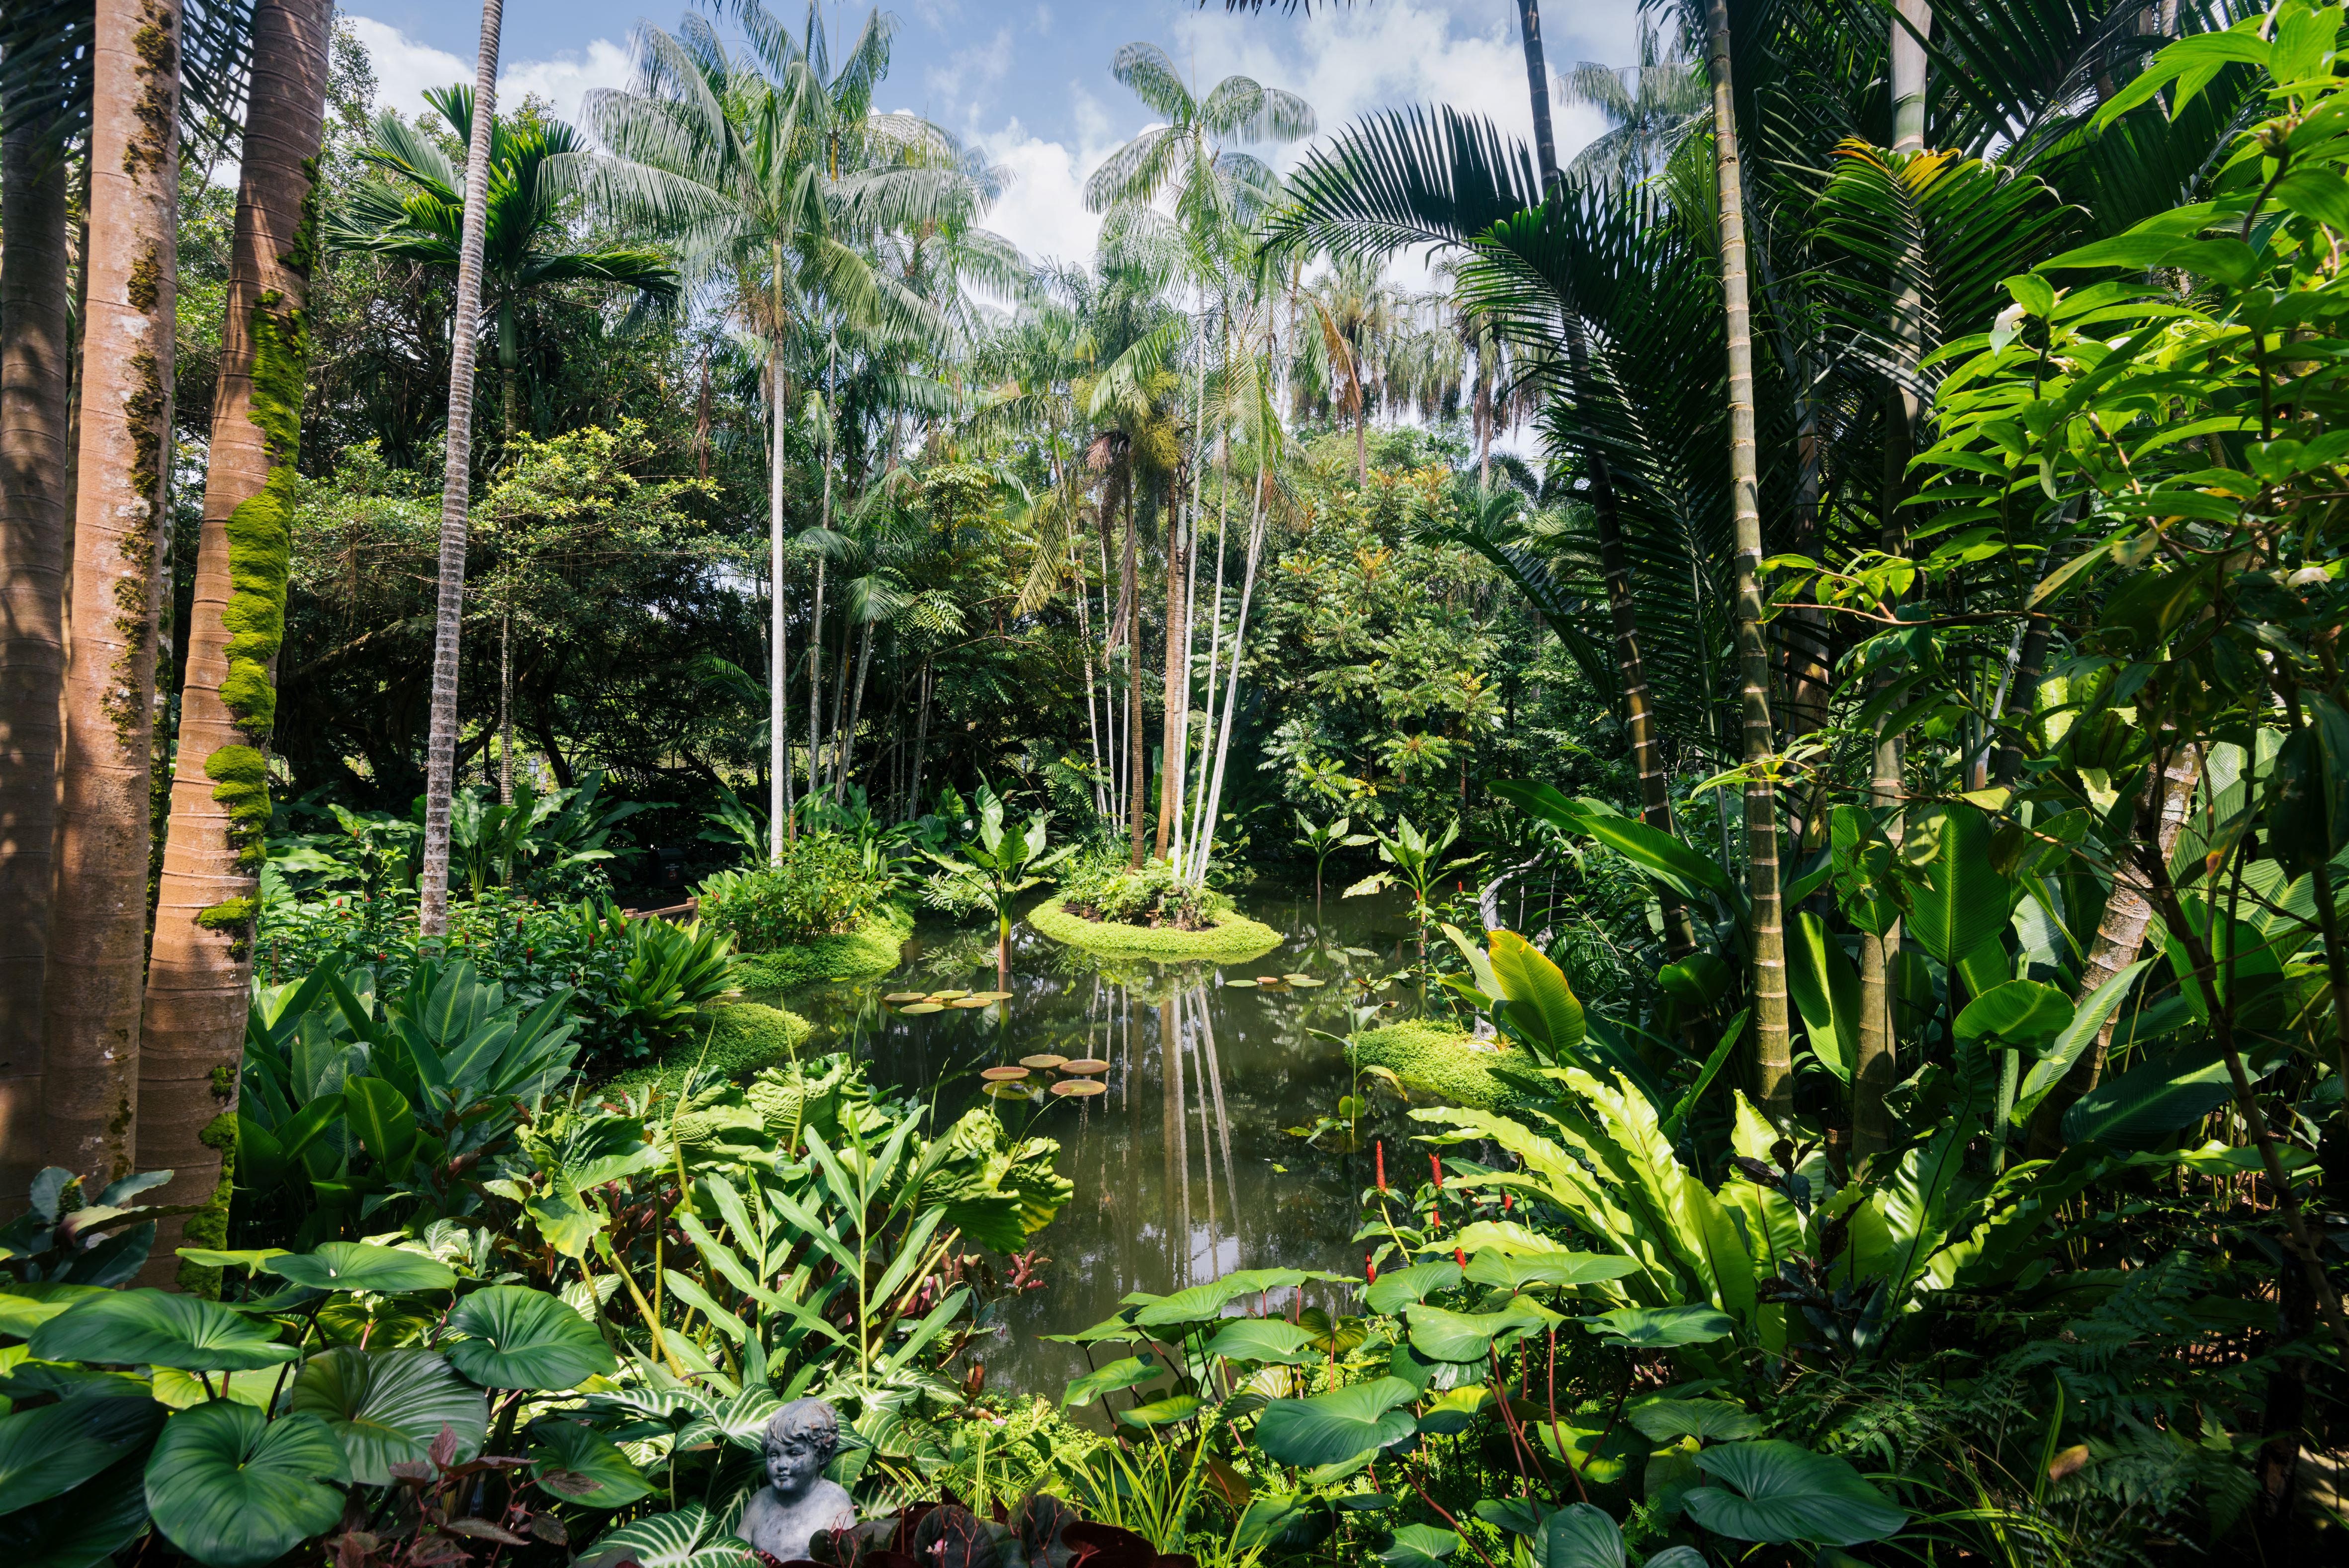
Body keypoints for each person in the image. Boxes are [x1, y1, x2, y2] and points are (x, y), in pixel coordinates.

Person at [736, 1399, 858, 1562]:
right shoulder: (760, 1502)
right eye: (774, 1455)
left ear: (821, 1455)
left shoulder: (834, 1501)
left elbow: (850, 1560)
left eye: (794, 1454)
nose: (781, 1465)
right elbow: (735, 1556)